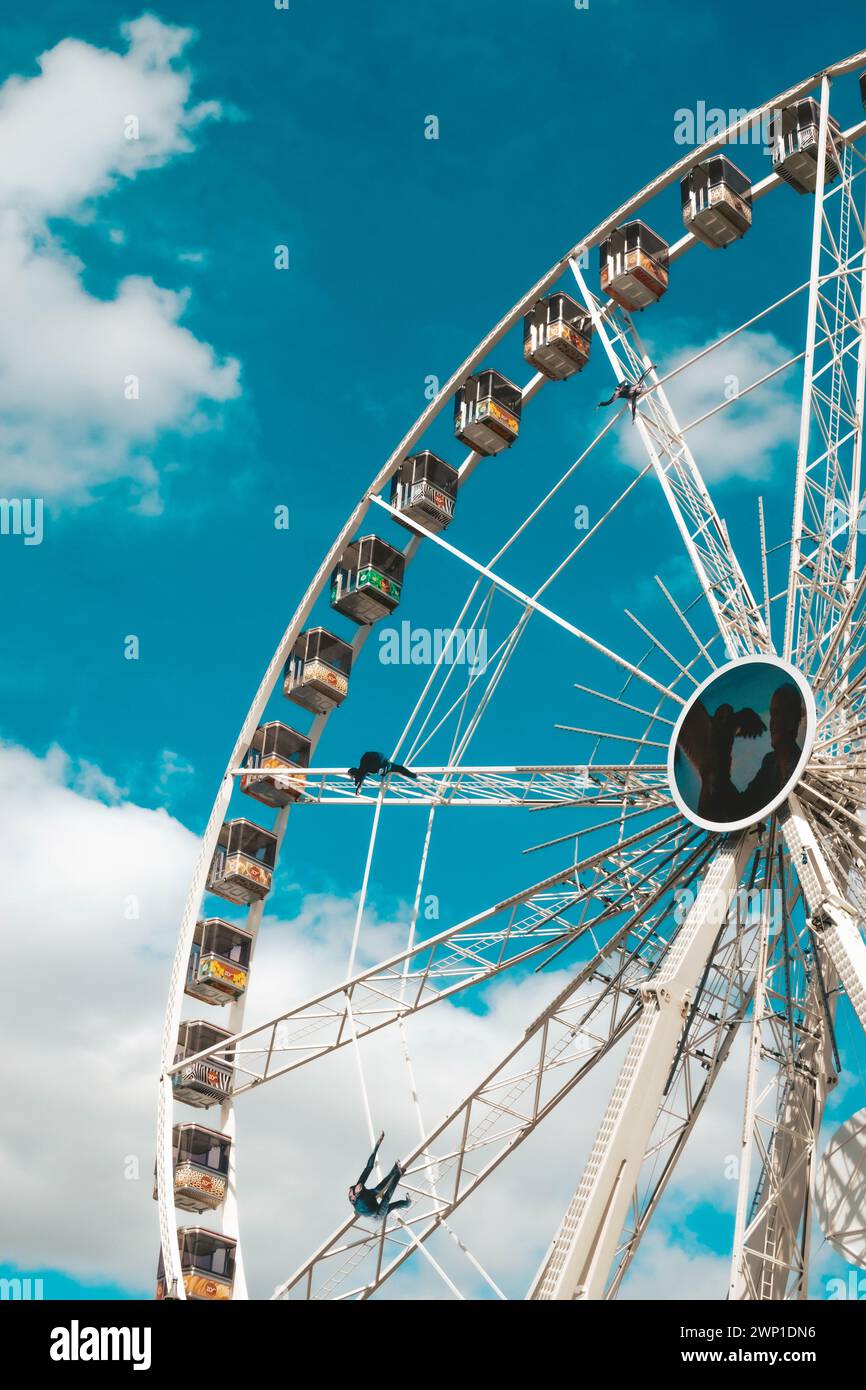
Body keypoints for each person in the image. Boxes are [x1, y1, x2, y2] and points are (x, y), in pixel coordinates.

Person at [741, 683, 804, 816]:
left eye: (778, 713)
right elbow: (744, 806)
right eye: (771, 714)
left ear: (793, 718)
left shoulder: (803, 767)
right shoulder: (769, 763)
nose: (772, 722)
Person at [348, 1131, 411, 1221]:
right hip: (377, 1214)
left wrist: (378, 1144)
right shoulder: (360, 1201)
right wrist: (397, 1174)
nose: (360, 1185)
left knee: (378, 1189)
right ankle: (398, 1174)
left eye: (359, 1186)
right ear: (355, 1196)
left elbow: (369, 1167)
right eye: (359, 1188)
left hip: (370, 1200)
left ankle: (395, 1170)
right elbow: (388, 1195)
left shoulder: (357, 1188)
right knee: (387, 1198)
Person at [348, 750, 417, 795]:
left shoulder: (365, 767)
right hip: (376, 759)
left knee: (363, 771)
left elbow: (362, 774)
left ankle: (356, 776)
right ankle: (356, 776)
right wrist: (413, 775)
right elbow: (401, 769)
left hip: (374, 758)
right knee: (364, 771)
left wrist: (359, 787)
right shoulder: (387, 767)